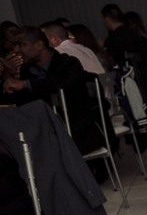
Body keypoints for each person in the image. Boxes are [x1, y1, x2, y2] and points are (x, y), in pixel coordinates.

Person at [2, 27, 104, 156]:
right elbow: (21, 100)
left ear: (39, 45)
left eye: (21, 45)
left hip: (75, 130)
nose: (16, 50)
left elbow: (64, 85)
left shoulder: (68, 63)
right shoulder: (27, 69)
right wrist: (8, 75)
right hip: (44, 132)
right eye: (14, 45)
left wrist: (24, 84)